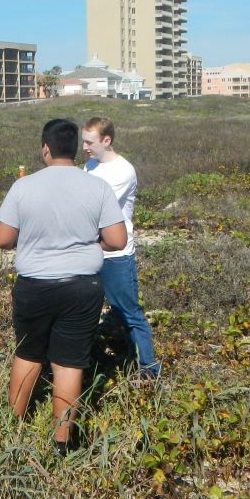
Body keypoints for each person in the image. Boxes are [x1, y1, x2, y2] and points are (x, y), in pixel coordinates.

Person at [0, 119, 126, 455]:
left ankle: (12, 431)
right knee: (69, 363)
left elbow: (2, 239)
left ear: (45, 149)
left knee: (28, 355)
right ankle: (62, 444)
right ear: (75, 149)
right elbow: (117, 239)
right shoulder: (96, 187)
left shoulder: (23, 186)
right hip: (82, 287)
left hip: (34, 286)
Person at [81, 116, 160, 378]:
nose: (85, 147)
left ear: (107, 140)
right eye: (83, 141)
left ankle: (149, 371)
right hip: (89, 250)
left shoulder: (123, 171)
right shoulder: (90, 165)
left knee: (129, 312)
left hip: (115, 254)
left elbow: (94, 209)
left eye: (89, 142)